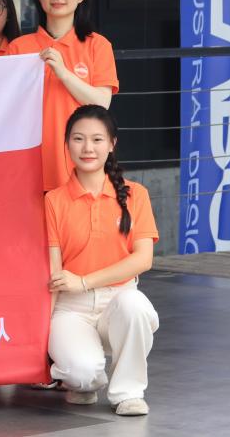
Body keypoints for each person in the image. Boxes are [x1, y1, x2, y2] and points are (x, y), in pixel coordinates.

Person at [45, 105, 159, 417]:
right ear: (67, 144)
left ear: (111, 144)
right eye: (78, 139)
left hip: (118, 300)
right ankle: (86, 380)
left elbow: (143, 259)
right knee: (81, 375)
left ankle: (128, 393)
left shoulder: (136, 195)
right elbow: (54, 271)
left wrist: (84, 281)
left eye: (97, 139)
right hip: (72, 307)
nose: (87, 148)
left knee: (134, 306)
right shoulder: (53, 200)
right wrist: (40, 334)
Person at [10, 0, 118, 191]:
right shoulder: (18, 48)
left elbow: (102, 102)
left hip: (79, 164)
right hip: (28, 165)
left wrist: (64, 73)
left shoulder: (97, 45)